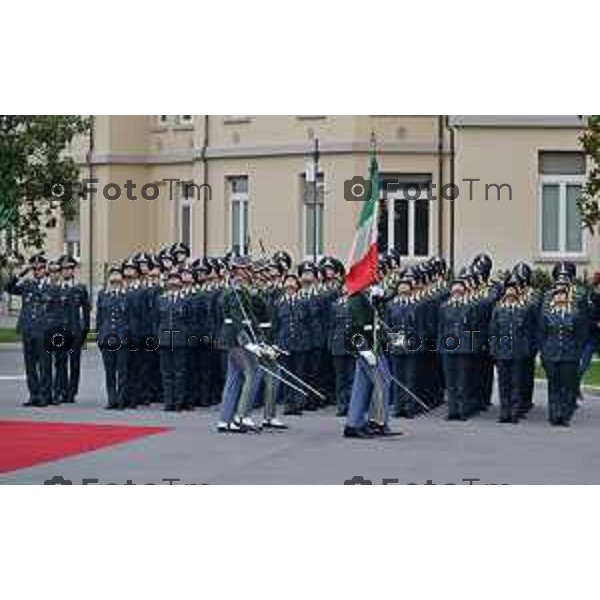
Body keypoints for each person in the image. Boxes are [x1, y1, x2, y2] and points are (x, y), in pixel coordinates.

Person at [4, 254, 51, 406]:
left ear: (45, 269)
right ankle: (34, 395)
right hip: (28, 329)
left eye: (40, 268)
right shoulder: (27, 285)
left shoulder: (51, 287)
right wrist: (22, 272)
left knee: (44, 364)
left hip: (43, 331)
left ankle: (45, 395)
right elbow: (8, 287)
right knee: (30, 365)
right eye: (34, 269)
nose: (37, 271)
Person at [539, 286, 586, 426]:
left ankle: (564, 415)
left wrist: (576, 353)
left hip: (569, 356)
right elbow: (541, 336)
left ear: (567, 298)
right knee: (554, 386)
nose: (560, 297)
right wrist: (544, 352)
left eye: (562, 295)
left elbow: (580, 336)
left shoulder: (575, 315)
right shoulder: (546, 315)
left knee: (567, 387)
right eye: (557, 295)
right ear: (553, 298)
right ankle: (554, 414)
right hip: (551, 355)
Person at [96, 266, 129, 409]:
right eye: (112, 276)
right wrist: (98, 337)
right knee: (109, 371)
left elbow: (132, 318)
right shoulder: (103, 295)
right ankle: (112, 399)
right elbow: (99, 318)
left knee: (122, 371)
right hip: (107, 337)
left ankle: (121, 399)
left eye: (117, 276)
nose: (115, 279)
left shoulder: (127, 295)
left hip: (122, 338)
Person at [58, 255, 90, 403]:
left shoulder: (80, 289)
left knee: (74, 363)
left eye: (70, 268)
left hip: (75, 331)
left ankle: (72, 392)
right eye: (64, 268)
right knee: (60, 362)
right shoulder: (55, 288)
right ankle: (61, 390)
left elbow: (85, 311)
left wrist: (85, 332)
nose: (67, 271)